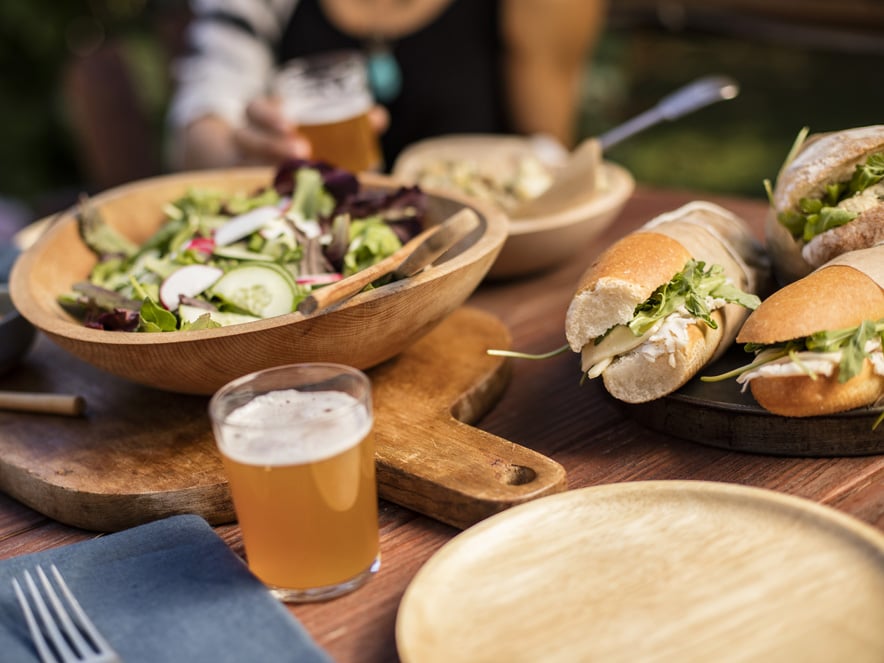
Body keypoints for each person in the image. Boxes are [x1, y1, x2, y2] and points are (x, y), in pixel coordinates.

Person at [167, 0, 608, 172]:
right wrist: (240, 154)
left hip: (493, 267)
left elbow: (549, 151)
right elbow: (202, 119)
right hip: (326, 276)